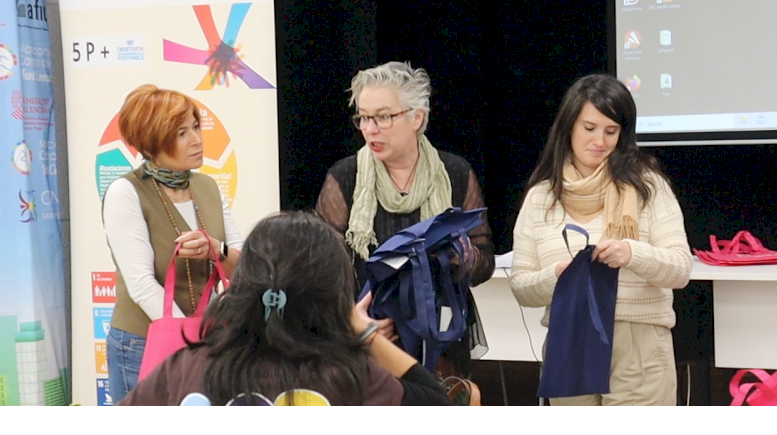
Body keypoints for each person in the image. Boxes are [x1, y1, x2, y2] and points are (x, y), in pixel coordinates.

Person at [121, 212, 455, 406]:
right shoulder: (352, 377)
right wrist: (362, 329)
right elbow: (438, 406)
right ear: (332, 298)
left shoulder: (185, 366)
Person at [510, 74, 692, 406]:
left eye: (611, 131)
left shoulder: (648, 187)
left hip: (637, 344)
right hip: (569, 342)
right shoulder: (541, 197)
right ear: (569, 126)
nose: (599, 141)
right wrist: (558, 276)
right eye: (589, 128)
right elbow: (521, 287)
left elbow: (680, 269)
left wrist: (631, 254)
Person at [316, 61, 494, 384]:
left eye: (383, 117)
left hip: (439, 342)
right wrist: (354, 320)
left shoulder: (455, 173)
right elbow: (321, 272)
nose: (370, 129)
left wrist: (461, 255)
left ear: (417, 118)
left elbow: (485, 263)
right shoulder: (345, 178)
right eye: (364, 117)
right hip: (368, 343)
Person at [102, 84, 244, 404]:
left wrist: (217, 250)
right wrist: (187, 343)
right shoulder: (126, 192)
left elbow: (242, 264)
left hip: (203, 341)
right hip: (143, 343)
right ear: (152, 142)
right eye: (181, 133)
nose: (196, 140)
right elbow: (141, 285)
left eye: (195, 127)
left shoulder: (207, 186)